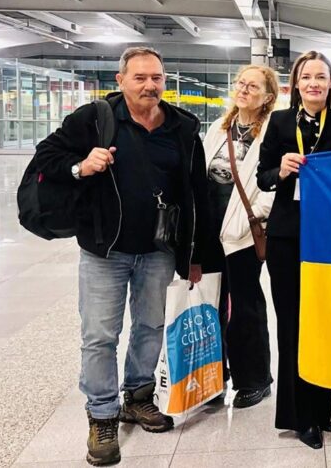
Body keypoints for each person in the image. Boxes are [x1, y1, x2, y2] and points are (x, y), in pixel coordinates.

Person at [34, 46, 211, 466]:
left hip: (159, 250)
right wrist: (81, 166)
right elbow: (47, 157)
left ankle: (137, 395)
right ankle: (101, 415)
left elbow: (196, 193)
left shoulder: (183, 126)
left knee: (151, 326)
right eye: (140, 77)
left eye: (157, 77)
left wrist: (195, 253)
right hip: (105, 250)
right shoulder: (94, 119)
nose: (150, 85)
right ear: (121, 80)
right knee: (100, 335)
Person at [257, 50, 331, 450]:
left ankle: (321, 409)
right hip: (287, 236)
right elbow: (263, 178)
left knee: (326, 324)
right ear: (295, 84)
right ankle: (299, 416)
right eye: (306, 77)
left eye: (321, 77)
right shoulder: (280, 122)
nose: (314, 83)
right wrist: (281, 170)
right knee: (292, 325)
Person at [201, 64, 278, 409]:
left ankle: (255, 379)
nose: (244, 90)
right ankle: (215, 376)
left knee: (245, 306)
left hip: (244, 232)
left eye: (253, 86)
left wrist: (256, 215)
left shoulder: (272, 132)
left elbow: (275, 181)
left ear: (268, 97)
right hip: (211, 228)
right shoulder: (219, 127)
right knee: (212, 304)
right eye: (241, 84)